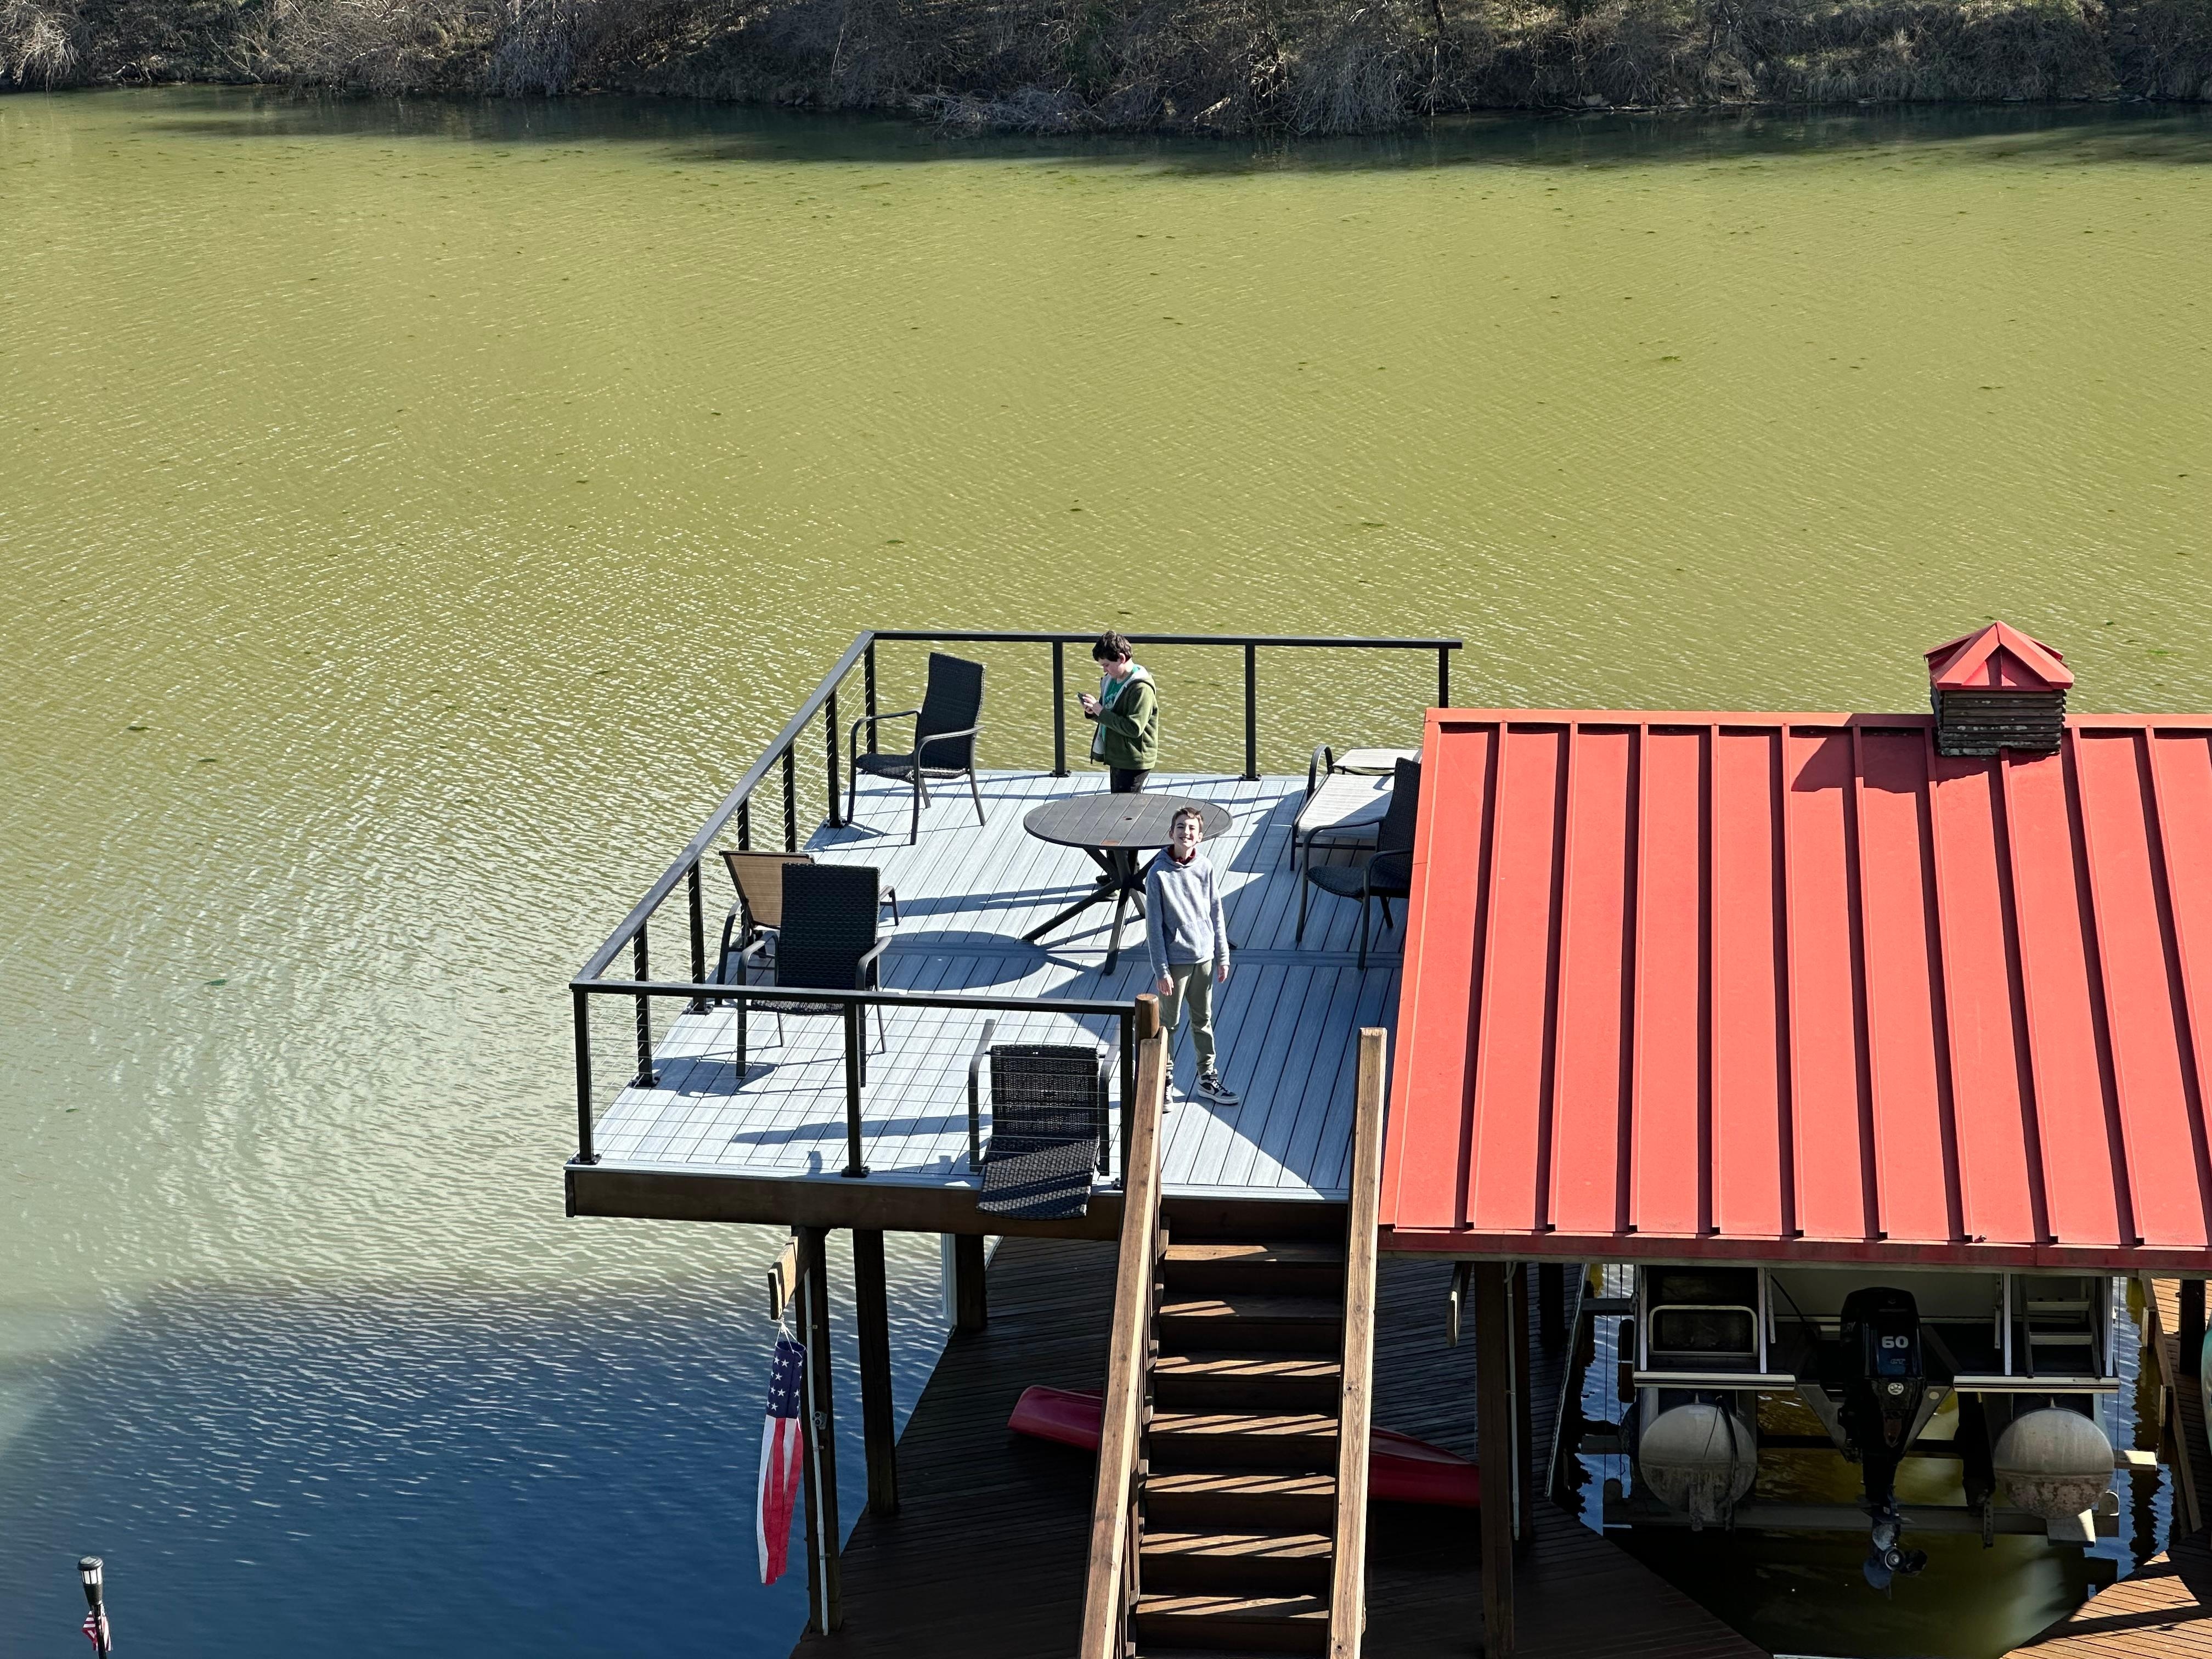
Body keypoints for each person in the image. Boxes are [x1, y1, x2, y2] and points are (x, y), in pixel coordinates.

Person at [1145, 806, 1238, 1109]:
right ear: (1171, 833)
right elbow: (1154, 928)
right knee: (1168, 1024)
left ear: (1200, 836)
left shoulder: (1206, 867)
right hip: (1175, 962)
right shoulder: (1157, 874)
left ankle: (1208, 1078)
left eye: (1192, 829)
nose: (1187, 833)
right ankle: (1165, 1081)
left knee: (1203, 1020)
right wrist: (1162, 970)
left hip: (1205, 958)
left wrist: (1222, 955)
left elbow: (1216, 913)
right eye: (1181, 827)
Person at [1078, 631, 1158, 793]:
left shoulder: (1141, 688)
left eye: (1106, 665)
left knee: (1126, 810)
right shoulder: (1111, 680)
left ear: (1122, 658)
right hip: (1117, 756)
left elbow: (1134, 728)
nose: (1104, 670)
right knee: (1120, 806)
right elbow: (1109, 713)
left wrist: (1101, 711)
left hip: (1133, 759)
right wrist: (1093, 711)